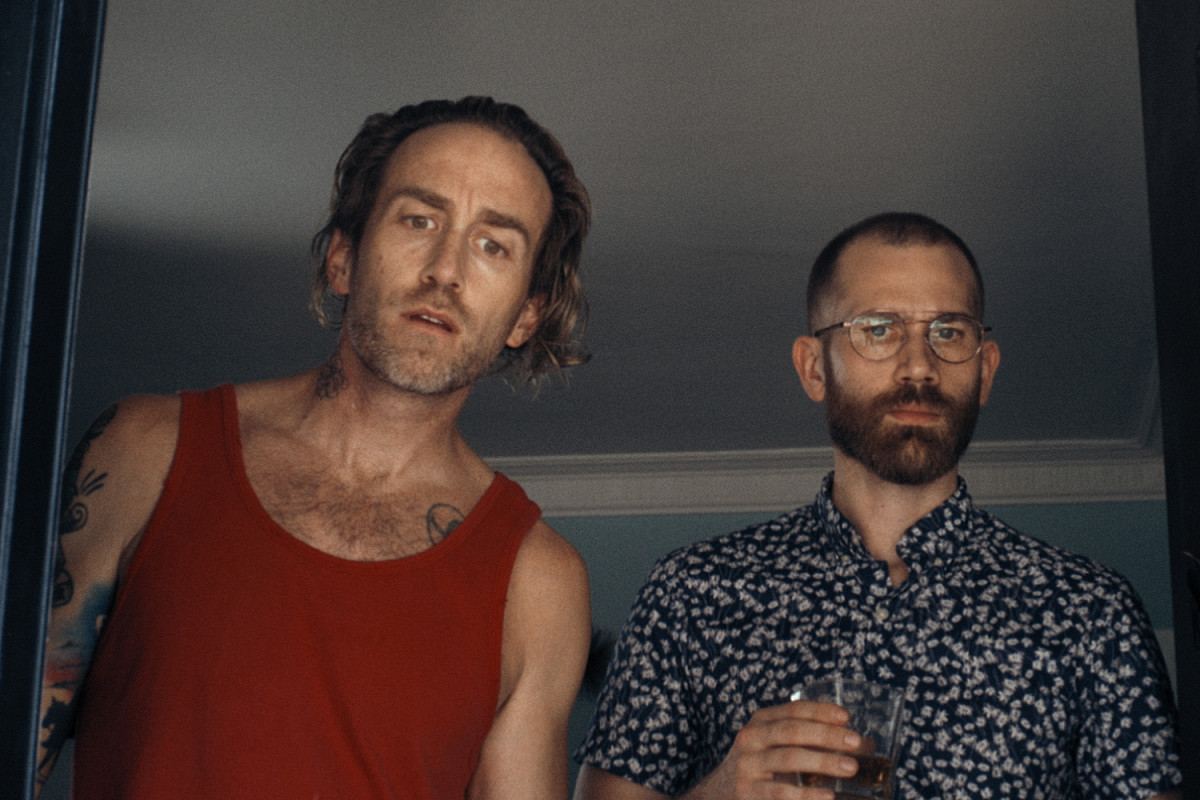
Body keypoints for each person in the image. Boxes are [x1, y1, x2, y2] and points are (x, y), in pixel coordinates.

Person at [36, 96, 593, 800]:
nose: (445, 270)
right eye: (419, 220)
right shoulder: (145, 449)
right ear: (343, 258)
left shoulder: (539, 582)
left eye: (493, 245)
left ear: (526, 316)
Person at [574, 212, 1182, 799]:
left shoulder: (1090, 613)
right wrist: (720, 795)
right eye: (879, 329)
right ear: (814, 368)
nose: (919, 366)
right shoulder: (691, 594)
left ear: (985, 371)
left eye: (949, 332)